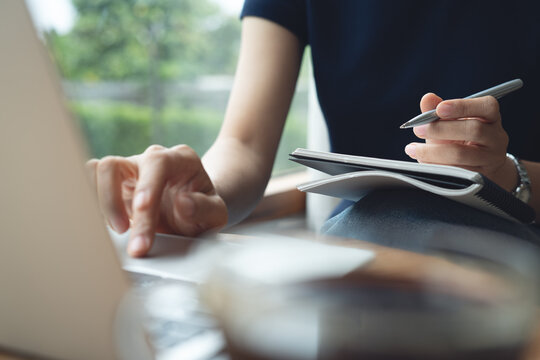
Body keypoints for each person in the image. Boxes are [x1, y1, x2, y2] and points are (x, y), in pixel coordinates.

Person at [87, 0, 540, 257]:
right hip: (357, 254)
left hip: (513, 252)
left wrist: (508, 177)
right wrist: (201, 191)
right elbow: (242, 144)